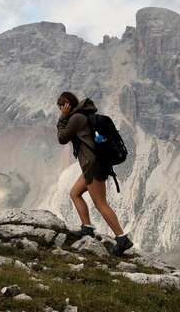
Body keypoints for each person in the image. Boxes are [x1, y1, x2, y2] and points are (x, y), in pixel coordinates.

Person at [56, 91, 133, 256]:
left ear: (67, 106)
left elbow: (62, 138)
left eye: (62, 107)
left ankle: (122, 239)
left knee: (100, 203)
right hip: (93, 164)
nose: (61, 109)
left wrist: (63, 117)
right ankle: (87, 228)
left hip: (93, 164)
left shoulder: (76, 118)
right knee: (75, 193)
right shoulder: (84, 115)